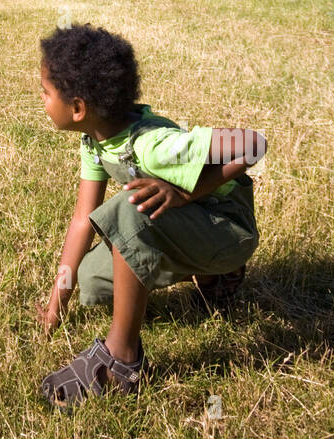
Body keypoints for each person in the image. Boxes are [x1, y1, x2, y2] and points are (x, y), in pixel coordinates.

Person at [35, 24, 265, 409]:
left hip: (227, 231)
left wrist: (184, 192)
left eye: (45, 93)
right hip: (187, 226)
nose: (41, 101)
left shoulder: (153, 145)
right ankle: (207, 275)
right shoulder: (95, 140)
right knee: (92, 283)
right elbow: (81, 220)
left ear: (78, 108)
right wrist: (58, 301)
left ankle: (122, 359)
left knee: (128, 207)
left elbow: (254, 144)